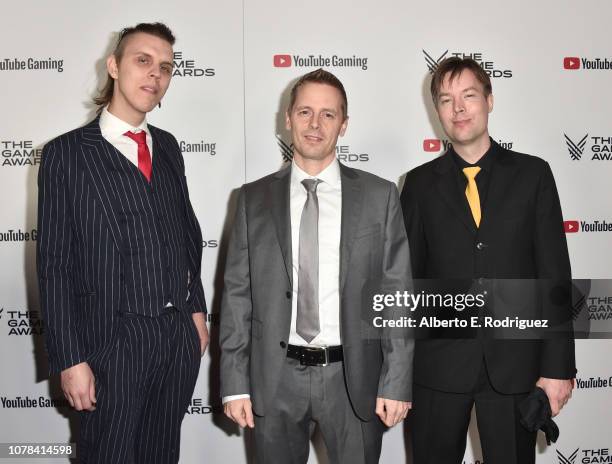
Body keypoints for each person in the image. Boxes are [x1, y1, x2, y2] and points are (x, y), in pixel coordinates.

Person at [220, 68, 413, 463]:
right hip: (275, 379)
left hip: (352, 378)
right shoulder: (251, 200)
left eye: (328, 114)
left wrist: (396, 381)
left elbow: (396, 295)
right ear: (287, 118)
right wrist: (234, 384)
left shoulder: (380, 197)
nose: (315, 123)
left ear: (343, 125)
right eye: (305, 111)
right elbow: (237, 296)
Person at [37, 22, 208, 463]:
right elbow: (54, 265)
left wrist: (197, 312)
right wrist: (69, 358)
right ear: (113, 66)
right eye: (143, 61)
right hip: (110, 342)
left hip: (174, 340)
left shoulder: (168, 147)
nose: (155, 74)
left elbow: (187, 234)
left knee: (161, 455)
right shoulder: (67, 154)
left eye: (166, 67)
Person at [400, 57, 576, 464]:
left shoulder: (534, 176)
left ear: (490, 101)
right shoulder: (419, 185)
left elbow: (554, 275)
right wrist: (395, 376)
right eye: (446, 99)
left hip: (516, 370)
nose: (458, 108)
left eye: (469, 96)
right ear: (437, 111)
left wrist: (558, 367)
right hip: (437, 372)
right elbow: (406, 285)